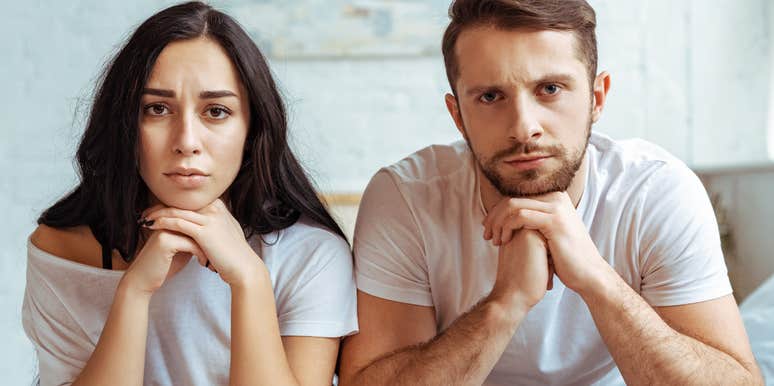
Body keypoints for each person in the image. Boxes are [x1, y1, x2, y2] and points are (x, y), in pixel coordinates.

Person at [339, 0, 763, 385]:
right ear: (458, 116)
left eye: (550, 89)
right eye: (490, 96)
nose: (524, 127)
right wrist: (504, 304)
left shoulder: (656, 191)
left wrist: (598, 281)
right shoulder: (407, 198)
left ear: (597, 98)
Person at [22, 2, 357, 385]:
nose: (187, 142)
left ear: (253, 129)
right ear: (125, 124)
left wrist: (249, 279)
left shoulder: (310, 254)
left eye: (216, 111)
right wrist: (134, 292)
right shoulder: (63, 251)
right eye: (158, 109)